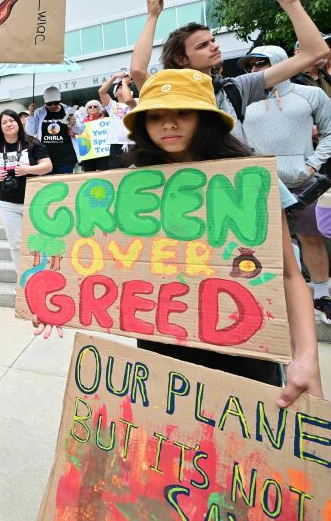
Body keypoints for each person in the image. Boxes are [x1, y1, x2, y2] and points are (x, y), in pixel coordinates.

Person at [34, 69, 324, 411]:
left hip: (245, 354)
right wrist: (51, 294)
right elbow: (97, 255)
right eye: (156, 116)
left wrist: (306, 357)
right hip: (162, 353)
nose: (168, 125)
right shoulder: (129, 183)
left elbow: (290, 275)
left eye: (182, 112)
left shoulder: (249, 179)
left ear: (206, 118)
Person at [129, 0, 330, 142]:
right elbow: (138, 71)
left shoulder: (235, 88)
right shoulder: (164, 92)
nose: (215, 46)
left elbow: (314, 52)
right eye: (203, 45)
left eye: (213, 40)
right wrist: (152, 15)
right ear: (182, 59)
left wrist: (291, 3)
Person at [239, 45, 331, 325]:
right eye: (251, 65)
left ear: (281, 62)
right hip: (258, 184)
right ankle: (270, 298)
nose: (255, 70)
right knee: (259, 245)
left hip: (302, 181)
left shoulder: (311, 94)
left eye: (261, 63)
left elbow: (329, 132)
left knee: (311, 237)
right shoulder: (240, 100)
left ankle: (322, 296)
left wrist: (313, 163)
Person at [0, 110, 52, 262]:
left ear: (18, 122)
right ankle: (22, 281)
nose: (8, 124)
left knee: (40, 240)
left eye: (11, 120)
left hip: (34, 201)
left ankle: (42, 278)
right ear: (0, 127)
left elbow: (48, 166)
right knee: (16, 243)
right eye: (4, 122)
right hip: (8, 203)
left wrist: (29, 170)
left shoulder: (32, 142)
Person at [24, 86, 84, 174]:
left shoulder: (69, 111)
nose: (52, 106)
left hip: (67, 157)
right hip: (46, 158)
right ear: (45, 102)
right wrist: (31, 115)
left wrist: (75, 124)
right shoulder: (39, 112)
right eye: (49, 103)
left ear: (60, 100)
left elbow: (80, 131)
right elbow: (30, 132)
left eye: (56, 103)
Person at [98, 71, 138, 169]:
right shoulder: (112, 105)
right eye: (120, 87)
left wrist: (124, 83)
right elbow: (101, 92)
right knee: (116, 171)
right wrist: (114, 77)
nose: (124, 87)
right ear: (115, 93)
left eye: (128, 87)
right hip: (116, 145)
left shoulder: (136, 101)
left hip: (133, 144)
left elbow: (129, 100)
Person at [292, 34, 331, 99]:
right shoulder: (292, 81)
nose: (325, 51)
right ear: (298, 52)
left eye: (327, 47)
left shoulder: (324, 74)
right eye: (318, 47)